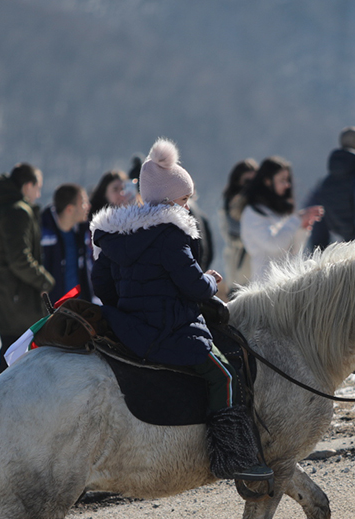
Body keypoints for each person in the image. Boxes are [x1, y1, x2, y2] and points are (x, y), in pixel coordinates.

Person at [90, 138, 272, 486]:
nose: (188, 207)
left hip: (131, 326)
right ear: (170, 199)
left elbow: (104, 289)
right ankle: (233, 457)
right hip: (171, 327)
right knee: (227, 375)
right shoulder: (172, 233)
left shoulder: (114, 235)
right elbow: (192, 285)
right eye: (185, 199)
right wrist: (209, 280)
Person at [0, 162, 55, 374]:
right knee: (12, 360)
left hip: (1, 295)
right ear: (27, 186)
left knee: (8, 354)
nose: (38, 193)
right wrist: (44, 280)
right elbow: (19, 258)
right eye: (37, 187)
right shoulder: (18, 212)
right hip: (14, 298)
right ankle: (2, 405)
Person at [239, 157, 323, 284]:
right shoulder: (253, 213)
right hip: (265, 287)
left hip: (288, 283)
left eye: (288, 180)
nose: (287, 185)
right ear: (267, 181)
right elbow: (273, 244)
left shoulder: (279, 213)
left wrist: (302, 228)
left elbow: (294, 251)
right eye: (282, 180)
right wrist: (297, 220)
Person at [40, 183, 92, 303]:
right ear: (69, 209)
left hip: (77, 308)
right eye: (83, 203)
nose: (88, 206)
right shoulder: (43, 233)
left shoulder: (82, 233)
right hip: (52, 311)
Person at [219, 159, 258, 292]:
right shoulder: (228, 207)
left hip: (257, 273)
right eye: (247, 181)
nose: (250, 186)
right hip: (237, 272)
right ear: (237, 181)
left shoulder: (260, 206)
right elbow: (232, 234)